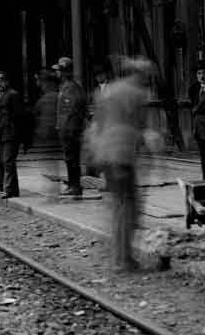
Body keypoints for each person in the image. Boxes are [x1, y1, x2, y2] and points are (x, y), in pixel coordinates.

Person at [88, 56, 154, 271]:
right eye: (147, 76)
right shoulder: (137, 94)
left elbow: (97, 123)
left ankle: (118, 256)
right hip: (122, 154)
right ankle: (123, 260)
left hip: (105, 154)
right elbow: (141, 126)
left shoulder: (108, 91)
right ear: (140, 74)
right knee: (128, 207)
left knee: (118, 205)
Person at [55, 57, 88, 196]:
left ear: (64, 72)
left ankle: (75, 186)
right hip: (67, 128)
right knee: (69, 158)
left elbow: (72, 111)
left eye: (58, 71)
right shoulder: (66, 86)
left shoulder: (71, 87)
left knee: (72, 158)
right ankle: (73, 184)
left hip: (71, 129)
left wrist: (66, 129)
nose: (56, 73)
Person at [0, 71, 25, 199]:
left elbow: (19, 115)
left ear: (7, 81)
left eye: (1, 81)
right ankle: (12, 189)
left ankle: (8, 189)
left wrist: (17, 134)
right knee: (6, 161)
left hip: (11, 133)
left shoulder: (13, 95)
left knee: (8, 161)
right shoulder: (0, 96)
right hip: (3, 133)